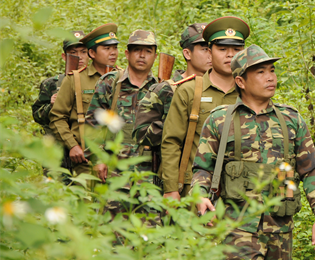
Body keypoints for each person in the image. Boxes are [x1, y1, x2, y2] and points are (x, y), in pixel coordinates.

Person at [194, 44, 315, 260]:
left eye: (272, 70)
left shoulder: (291, 119)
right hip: (237, 228)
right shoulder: (219, 119)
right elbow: (203, 168)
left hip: (280, 230)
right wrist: (201, 197)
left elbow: (310, 171)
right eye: (260, 72)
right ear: (241, 81)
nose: (270, 77)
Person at [160, 16, 249, 201]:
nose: (230, 55)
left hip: (244, 192)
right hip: (196, 191)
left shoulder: (251, 92)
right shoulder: (189, 91)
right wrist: (170, 189)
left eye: (237, 49)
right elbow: (171, 142)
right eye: (223, 49)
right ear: (210, 52)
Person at [132, 23, 212, 188]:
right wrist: (174, 123)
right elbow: (140, 134)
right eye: (204, 49)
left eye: (213, 48)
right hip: (174, 178)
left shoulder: (221, 89)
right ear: (187, 53)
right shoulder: (166, 90)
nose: (211, 55)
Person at [85, 30, 158, 186]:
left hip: (147, 174)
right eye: (137, 50)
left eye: (148, 51)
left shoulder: (160, 88)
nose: (142, 55)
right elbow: (93, 123)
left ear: (155, 56)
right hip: (113, 171)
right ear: (127, 53)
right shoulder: (110, 82)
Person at [50, 23, 119, 178]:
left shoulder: (123, 78)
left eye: (115, 48)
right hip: (86, 161)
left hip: (118, 161)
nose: (113, 53)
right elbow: (57, 117)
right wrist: (72, 145)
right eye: (107, 49)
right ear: (92, 53)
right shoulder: (75, 79)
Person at [33, 30, 87, 137]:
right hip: (58, 144)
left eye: (83, 52)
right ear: (64, 56)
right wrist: (51, 106)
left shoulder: (98, 81)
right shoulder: (52, 84)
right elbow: (37, 116)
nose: (79, 57)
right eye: (73, 52)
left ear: (90, 54)